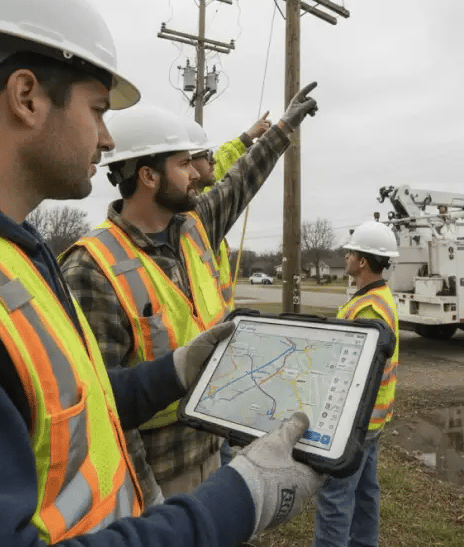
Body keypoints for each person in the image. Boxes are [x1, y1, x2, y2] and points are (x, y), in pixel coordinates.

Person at [0, 0, 320, 547]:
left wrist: (178, 369)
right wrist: (239, 501)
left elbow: (72, 401)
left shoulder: (2, 253)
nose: (108, 138)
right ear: (27, 96)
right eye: (98, 110)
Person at [59, 88, 317, 499]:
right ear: (148, 176)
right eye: (183, 164)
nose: (196, 173)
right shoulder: (90, 268)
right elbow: (99, 403)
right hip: (157, 476)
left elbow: (242, 178)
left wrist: (284, 127)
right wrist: (145, 494)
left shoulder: (195, 226)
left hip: (214, 447)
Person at [313, 221, 401, 547]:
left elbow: (356, 372)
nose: (345, 255)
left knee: (335, 498)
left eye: (350, 251)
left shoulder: (369, 309)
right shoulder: (376, 298)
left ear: (363, 261)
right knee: (365, 491)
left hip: (357, 421)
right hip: (373, 419)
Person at [183, 111, 272, 312]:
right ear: (185, 162)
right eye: (207, 155)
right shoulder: (193, 214)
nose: (213, 161)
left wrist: (247, 137)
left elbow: (224, 162)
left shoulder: (203, 199)